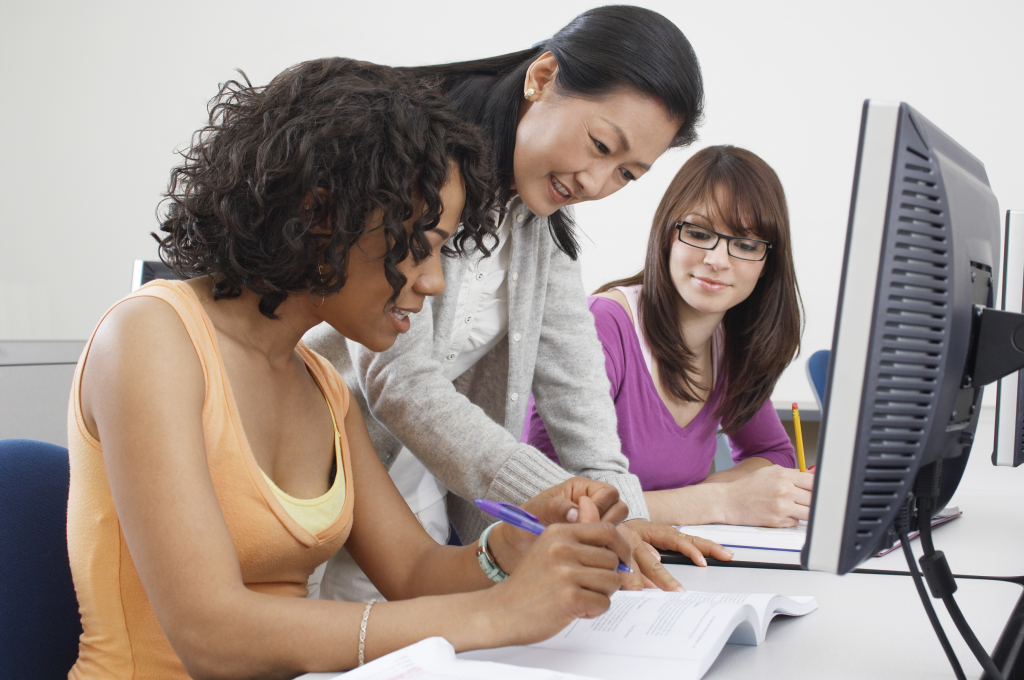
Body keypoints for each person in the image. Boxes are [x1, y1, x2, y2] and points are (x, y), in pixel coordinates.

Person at [67, 58, 636, 679]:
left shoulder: (318, 384)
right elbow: (212, 635)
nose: (435, 283)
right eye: (421, 247)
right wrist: (498, 613)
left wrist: (510, 547)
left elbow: (414, 572)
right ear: (321, 216)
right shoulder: (150, 338)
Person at [305, 5, 730, 601]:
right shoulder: (413, 163)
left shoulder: (538, 214)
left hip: (404, 488)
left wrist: (621, 511)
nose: (595, 180)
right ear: (543, 76)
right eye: (601, 144)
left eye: (627, 174)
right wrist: (559, 499)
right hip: (311, 463)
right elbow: (398, 380)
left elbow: (576, 386)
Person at [526, 145, 814, 528]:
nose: (717, 260)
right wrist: (719, 501)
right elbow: (555, 502)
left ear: (767, 264)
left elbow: (774, 455)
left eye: (745, 245)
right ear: (667, 234)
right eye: (698, 232)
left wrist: (717, 499)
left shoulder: (731, 345)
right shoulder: (602, 326)